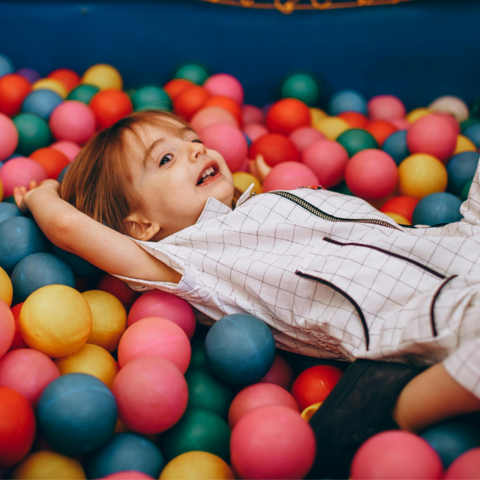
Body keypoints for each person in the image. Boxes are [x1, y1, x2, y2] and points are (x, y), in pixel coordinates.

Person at [14, 110, 480, 475]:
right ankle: (408, 403)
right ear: (142, 227)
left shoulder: (255, 202)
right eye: (166, 159)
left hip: (454, 243)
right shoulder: (184, 258)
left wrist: (266, 190)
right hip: (418, 314)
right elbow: (67, 228)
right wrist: (41, 195)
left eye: (191, 138)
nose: (193, 149)